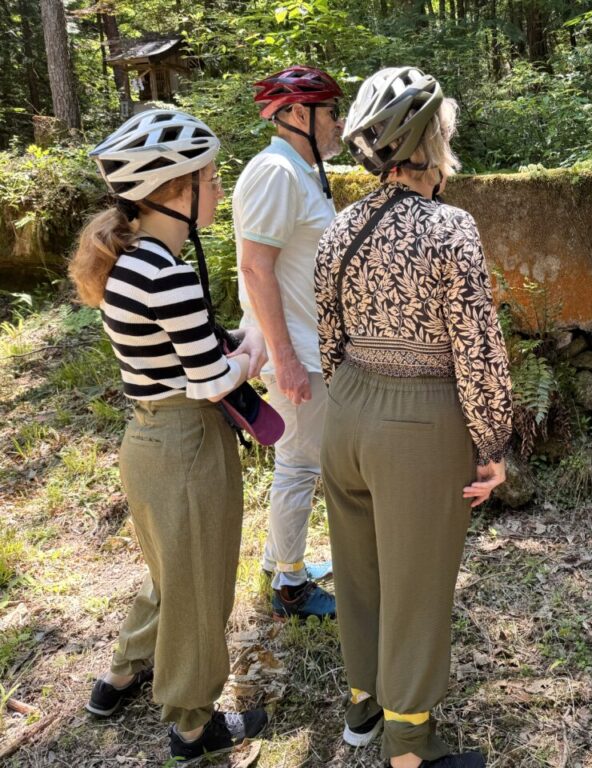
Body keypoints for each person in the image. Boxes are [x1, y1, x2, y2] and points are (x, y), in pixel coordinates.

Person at [314, 67, 513, 768]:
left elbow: (328, 338)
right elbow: (478, 349)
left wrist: (354, 399)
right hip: (418, 423)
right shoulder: (449, 228)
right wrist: (493, 443)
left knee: (360, 570)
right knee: (418, 584)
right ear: (432, 140)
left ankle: (362, 707)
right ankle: (411, 747)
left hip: (345, 415)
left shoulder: (340, 228)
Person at [70, 109, 269, 762]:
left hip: (147, 439)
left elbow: (178, 347)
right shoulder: (171, 274)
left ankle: (121, 676)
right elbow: (212, 380)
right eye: (211, 179)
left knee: (168, 573)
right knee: (201, 585)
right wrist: (257, 349)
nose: (218, 189)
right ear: (175, 191)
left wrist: (229, 343)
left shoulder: (130, 259)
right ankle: (192, 725)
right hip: (188, 446)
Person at [234, 65, 345, 621]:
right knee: (300, 465)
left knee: (299, 461)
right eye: (331, 112)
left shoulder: (302, 171)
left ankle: (281, 559)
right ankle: (290, 587)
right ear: (298, 114)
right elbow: (256, 269)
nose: (339, 123)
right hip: (297, 351)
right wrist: (286, 360)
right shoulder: (277, 172)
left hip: (308, 345)